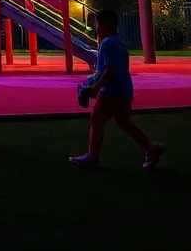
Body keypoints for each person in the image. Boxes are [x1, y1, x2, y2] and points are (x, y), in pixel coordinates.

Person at [70, 9, 164, 168]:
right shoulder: (117, 41)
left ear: (106, 25)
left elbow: (109, 70)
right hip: (124, 89)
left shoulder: (107, 43)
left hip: (112, 91)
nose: (96, 28)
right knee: (124, 121)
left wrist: (95, 87)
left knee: (96, 119)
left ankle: (93, 157)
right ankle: (151, 148)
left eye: (98, 24)